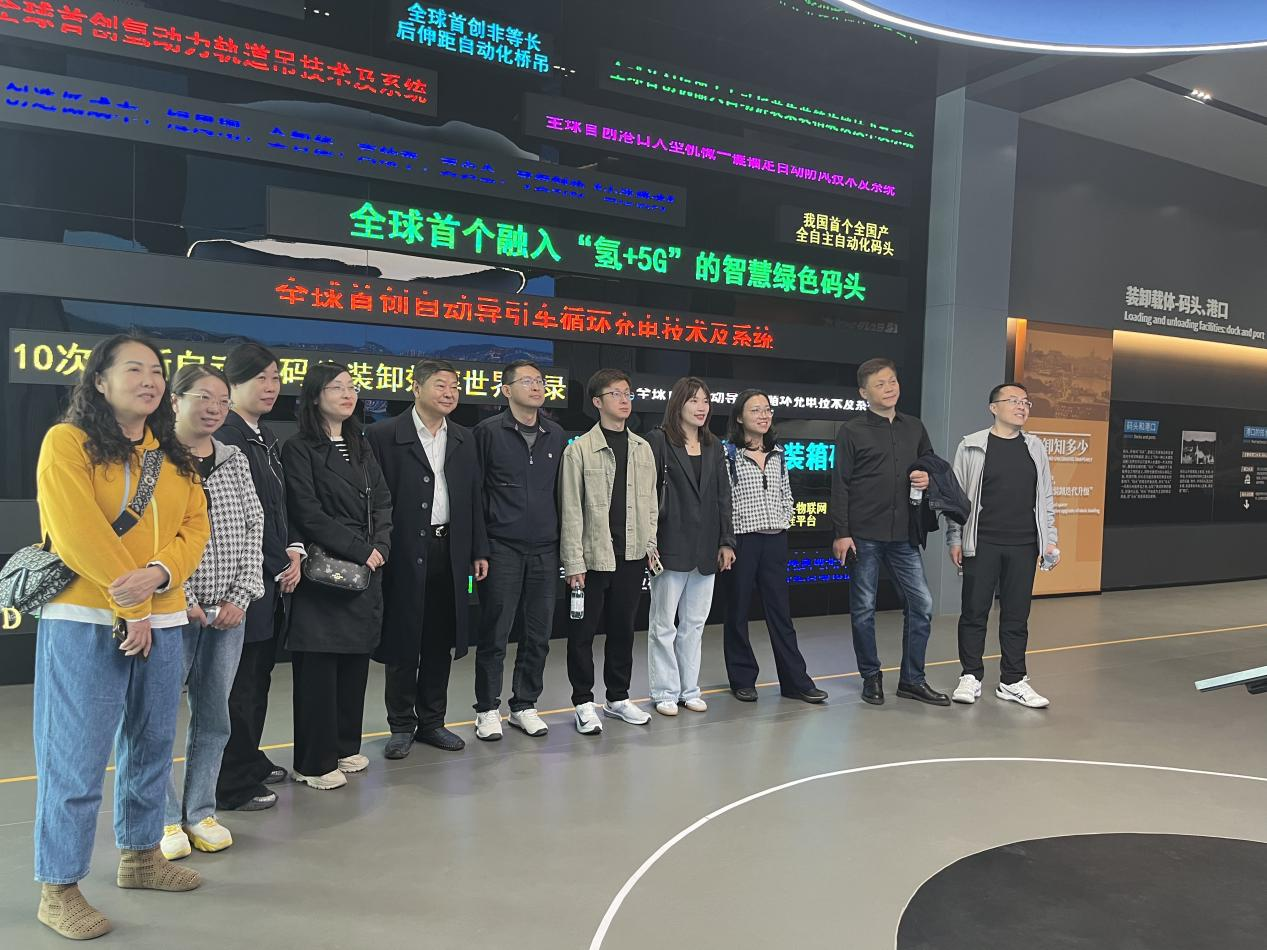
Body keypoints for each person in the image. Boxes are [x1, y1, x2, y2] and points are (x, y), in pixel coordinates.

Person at [32, 334, 210, 939]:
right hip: (85, 619)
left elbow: (195, 528)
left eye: (157, 370)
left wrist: (158, 575)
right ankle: (58, 887)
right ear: (100, 381)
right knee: (75, 755)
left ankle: (140, 856)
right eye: (134, 369)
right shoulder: (68, 442)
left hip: (164, 618)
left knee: (153, 744)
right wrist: (127, 601)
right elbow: (76, 530)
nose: (150, 379)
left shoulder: (175, 457)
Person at [161, 365, 265, 860]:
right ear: (175, 400)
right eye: (203, 397)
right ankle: (161, 818)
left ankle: (200, 810)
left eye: (222, 401)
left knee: (214, 716)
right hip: (169, 612)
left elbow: (253, 526)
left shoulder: (233, 459)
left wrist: (240, 596)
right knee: (156, 719)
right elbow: (148, 535)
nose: (214, 408)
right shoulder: (155, 458)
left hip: (227, 614)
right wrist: (178, 597)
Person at [367, 359, 487, 757]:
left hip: (449, 549)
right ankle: (401, 725)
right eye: (440, 385)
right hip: (402, 550)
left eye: (455, 386)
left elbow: (474, 496)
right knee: (404, 638)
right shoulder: (384, 435)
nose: (450, 393)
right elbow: (374, 501)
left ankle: (432, 721)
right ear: (416, 388)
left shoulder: (464, 438)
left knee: (440, 637)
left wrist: (478, 549)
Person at [283, 363, 393, 789]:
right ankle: (313, 762)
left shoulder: (360, 443)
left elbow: (382, 500)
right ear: (315, 396)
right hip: (326, 570)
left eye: (351, 387)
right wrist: (361, 549)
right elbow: (306, 511)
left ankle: (345, 746)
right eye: (336, 388)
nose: (348, 394)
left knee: (353, 664)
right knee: (319, 669)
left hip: (366, 567)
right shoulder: (298, 448)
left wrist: (380, 545)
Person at [215, 343, 304, 812]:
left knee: (258, 678)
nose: (270, 387)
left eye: (275, 378)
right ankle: (231, 781)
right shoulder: (226, 438)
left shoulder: (263, 435)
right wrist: (276, 562)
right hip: (241, 583)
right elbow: (242, 520)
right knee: (239, 686)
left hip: (269, 581)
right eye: (259, 379)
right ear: (232, 385)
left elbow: (277, 508)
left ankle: (248, 756)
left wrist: (294, 549)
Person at [831, 358, 949, 707]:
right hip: (863, 534)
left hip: (904, 534)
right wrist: (842, 532)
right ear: (863, 392)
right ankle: (871, 676)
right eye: (880, 384)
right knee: (864, 608)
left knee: (921, 604)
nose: (889, 388)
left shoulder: (915, 427)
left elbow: (931, 465)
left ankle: (913, 679)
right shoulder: (851, 431)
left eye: (893, 381)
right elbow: (840, 484)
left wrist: (928, 478)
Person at [560, 368, 658, 734]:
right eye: (615, 393)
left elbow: (651, 504)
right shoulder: (579, 450)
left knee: (623, 630)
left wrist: (650, 545)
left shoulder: (642, 448)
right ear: (597, 402)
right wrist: (573, 562)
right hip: (592, 557)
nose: (623, 400)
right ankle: (583, 702)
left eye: (627, 393)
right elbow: (571, 510)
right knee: (582, 633)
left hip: (631, 556)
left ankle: (617, 698)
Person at [947, 383, 1057, 709]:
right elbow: (956, 497)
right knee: (974, 611)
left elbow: (1046, 497)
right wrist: (955, 538)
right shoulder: (971, 445)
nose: (1022, 406)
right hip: (982, 541)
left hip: (1024, 543)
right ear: (993, 408)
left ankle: (1013, 680)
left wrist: (1050, 540)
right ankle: (970, 675)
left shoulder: (1035, 447)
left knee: (1016, 615)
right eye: (1013, 401)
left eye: (1026, 402)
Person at [471, 359, 564, 741]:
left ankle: (524, 705)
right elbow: (475, 494)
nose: (537, 387)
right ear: (507, 390)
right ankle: (487, 709)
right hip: (502, 547)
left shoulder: (555, 433)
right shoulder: (488, 432)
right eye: (527, 381)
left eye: (540, 381)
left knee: (538, 633)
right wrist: (479, 548)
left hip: (545, 548)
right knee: (495, 632)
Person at [721, 390, 827, 705]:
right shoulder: (728, 454)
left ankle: (795, 682)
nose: (764, 415)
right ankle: (742, 679)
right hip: (742, 541)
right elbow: (722, 501)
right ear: (739, 417)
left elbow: (786, 493)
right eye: (755, 410)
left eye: (767, 409)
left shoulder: (778, 453)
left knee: (781, 613)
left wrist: (784, 518)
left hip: (775, 540)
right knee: (737, 612)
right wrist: (727, 540)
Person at [644, 377, 736, 716]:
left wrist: (726, 541)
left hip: (706, 546)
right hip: (669, 544)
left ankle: (689, 689)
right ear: (678, 403)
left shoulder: (713, 445)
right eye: (694, 400)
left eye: (706, 401)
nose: (702, 407)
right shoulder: (659, 440)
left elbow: (723, 496)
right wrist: (649, 541)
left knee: (694, 624)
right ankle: (664, 691)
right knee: (664, 625)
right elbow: (647, 493)